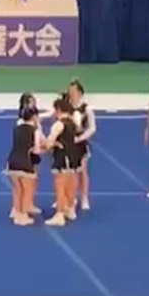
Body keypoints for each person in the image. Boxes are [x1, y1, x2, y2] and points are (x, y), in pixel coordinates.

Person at [4, 93, 42, 226]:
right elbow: (37, 150)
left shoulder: (17, 127)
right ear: (34, 117)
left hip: (12, 161)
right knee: (27, 190)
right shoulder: (35, 130)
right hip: (26, 162)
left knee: (18, 188)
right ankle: (23, 216)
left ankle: (16, 211)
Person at [43, 97, 80, 226]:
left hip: (62, 157)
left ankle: (59, 214)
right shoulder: (72, 123)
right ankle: (70, 209)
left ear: (58, 110)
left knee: (60, 186)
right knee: (70, 184)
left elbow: (49, 143)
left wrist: (50, 145)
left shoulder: (58, 125)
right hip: (73, 157)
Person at [67, 80, 97, 211]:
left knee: (82, 172)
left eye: (73, 91)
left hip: (80, 143)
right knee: (68, 172)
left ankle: (84, 197)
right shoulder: (66, 106)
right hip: (67, 143)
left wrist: (80, 138)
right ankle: (70, 197)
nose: (71, 93)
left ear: (79, 93)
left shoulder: (87, 109)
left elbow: (92, 128)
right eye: (70, 91)